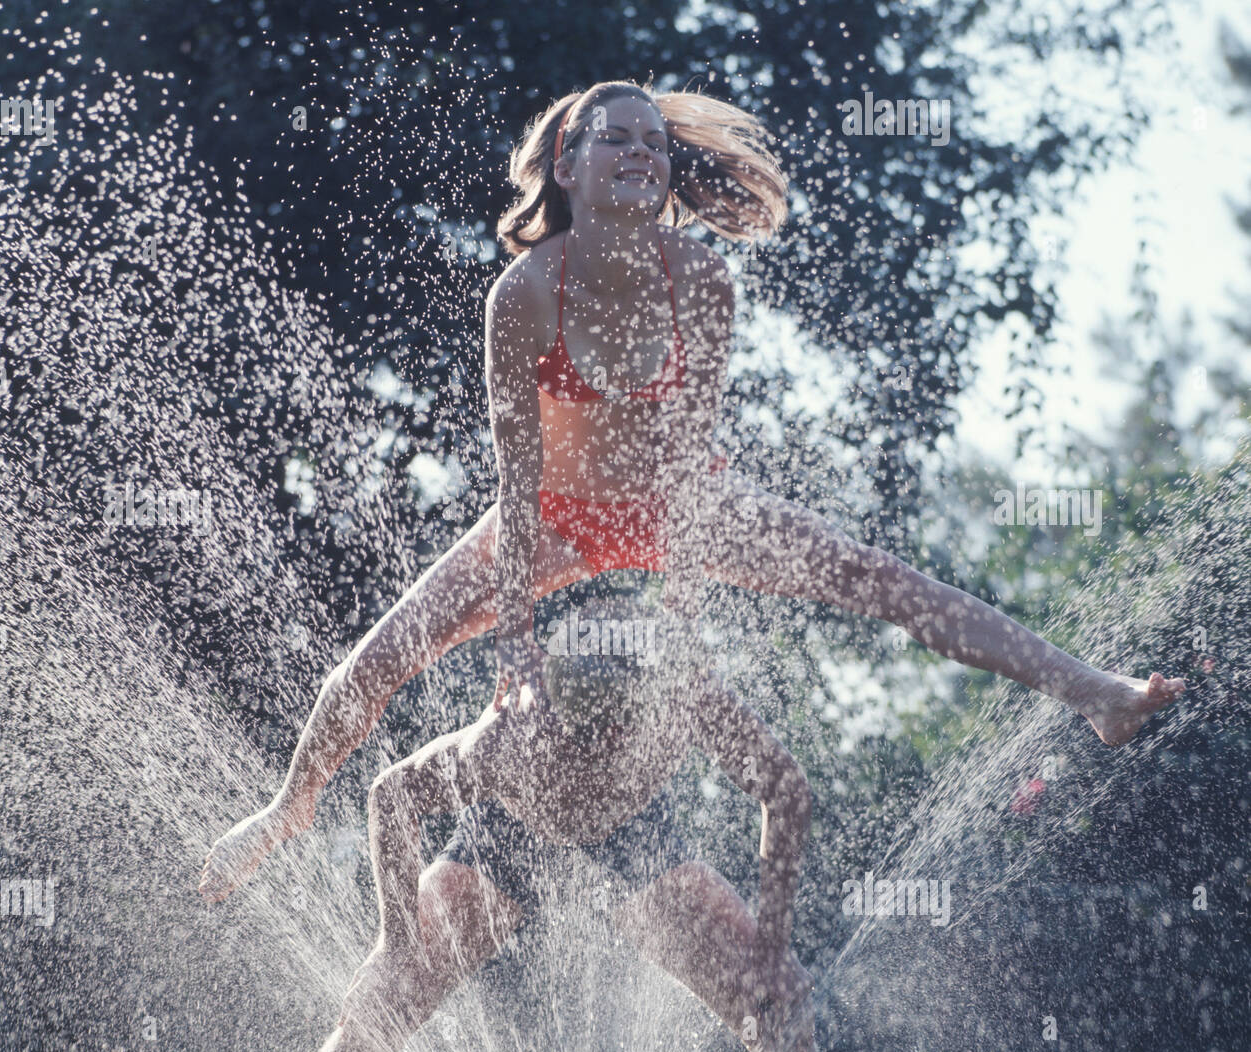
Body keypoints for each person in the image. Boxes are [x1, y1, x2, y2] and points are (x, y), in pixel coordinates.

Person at [199, 79, 1184, 905]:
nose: (642, 152)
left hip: (678, 503)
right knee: (377, 660)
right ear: (567, 165)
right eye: (615, 138)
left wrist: (680, 623)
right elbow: (515, 473)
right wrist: (518, 648)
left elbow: (686, 463)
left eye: (655, 143)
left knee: (879, 580)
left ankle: (1093, 695)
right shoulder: (526, 293)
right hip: (551, 519)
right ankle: (285, 808)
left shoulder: (703, 279)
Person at [249, 598, 865, 1052]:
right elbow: (392, 795)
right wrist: (397, 943)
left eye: (610, 747)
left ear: (649, 715)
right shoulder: (508, 733)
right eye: (576, 744)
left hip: (637, 834)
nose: (590, 764)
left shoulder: (687, 694)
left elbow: (786, 789)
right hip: (508, 829)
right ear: (550, 707)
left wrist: (772, 949)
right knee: (377, 1007)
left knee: (776, 1011)